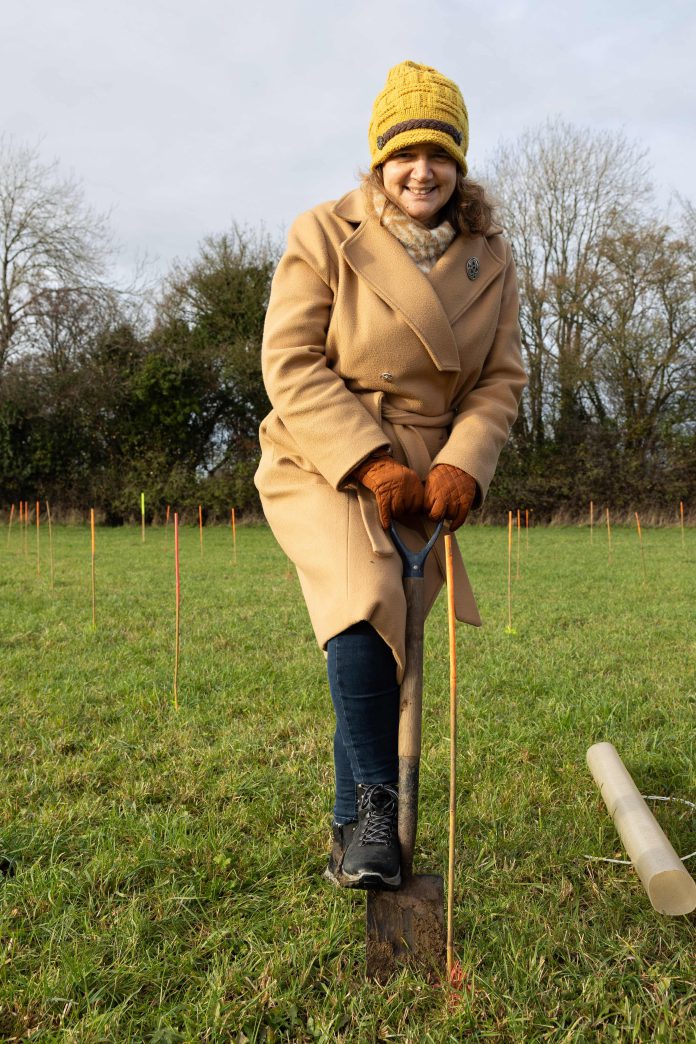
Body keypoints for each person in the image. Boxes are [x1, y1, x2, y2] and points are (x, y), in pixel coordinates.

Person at [255, 61, 527, 890]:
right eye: (405, 153)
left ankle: (350, 832)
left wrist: (463, 463)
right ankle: (378, 811)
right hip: (323, 453)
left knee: (386, 640)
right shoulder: (323, 234)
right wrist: (366, 459)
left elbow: (499, 380)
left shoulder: (492, 257)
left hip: (428, 474)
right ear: (379, 160)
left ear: (459, 163)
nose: (422, 170)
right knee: (365, 597)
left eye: (439, 153)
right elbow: (290, 360)